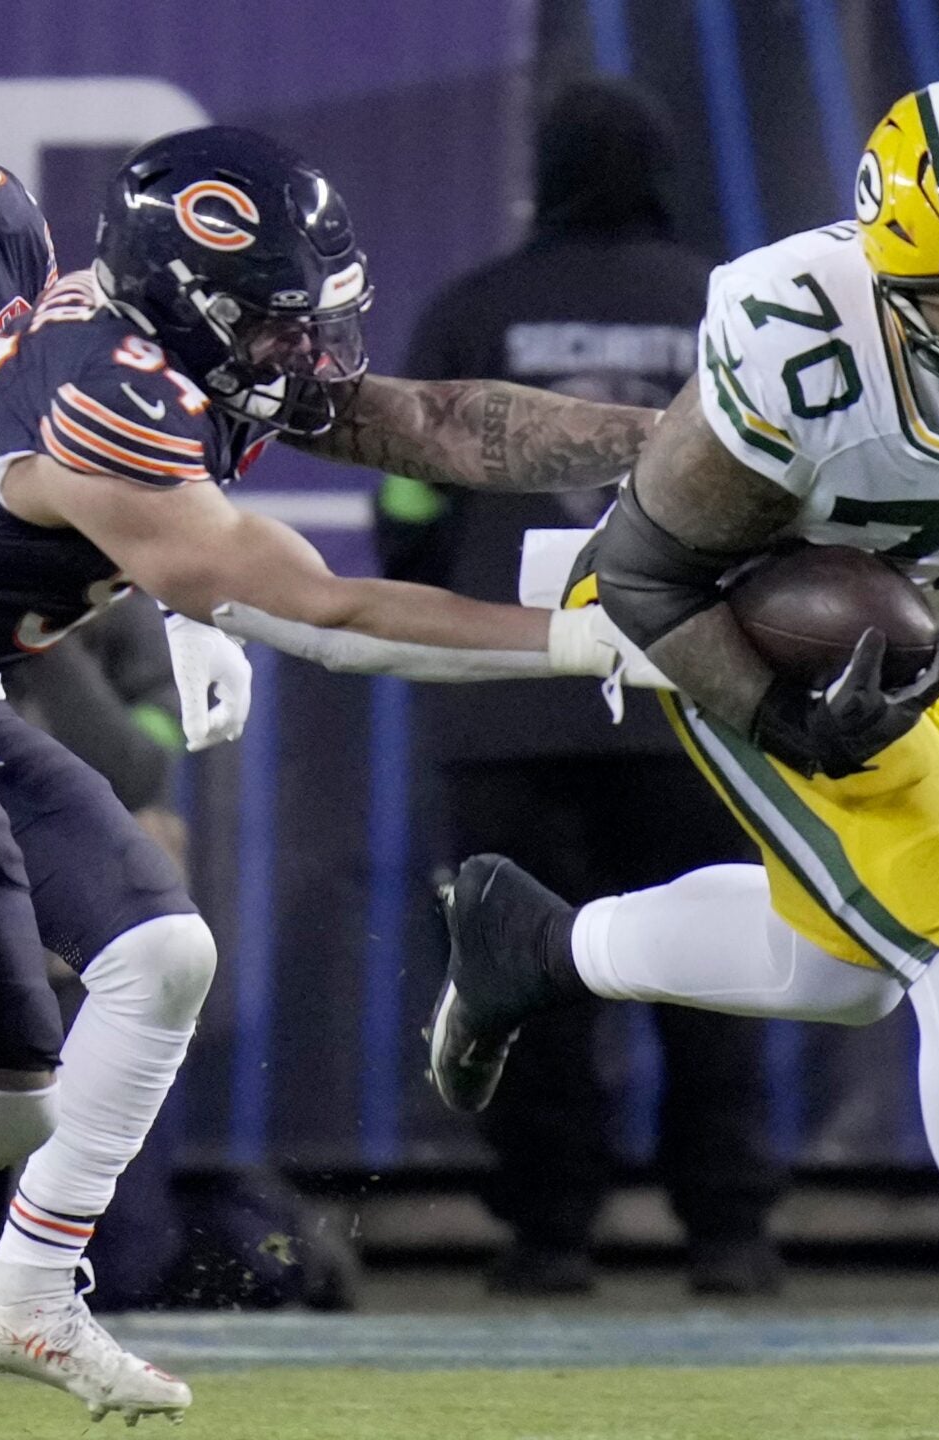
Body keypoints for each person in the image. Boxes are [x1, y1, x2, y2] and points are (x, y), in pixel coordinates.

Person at [0, 124, 657, 1440]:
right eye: (274, 328)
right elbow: (330, 610)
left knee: (139, 977)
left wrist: (674, 437)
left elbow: (424, 416)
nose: (304, 356)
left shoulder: (73, 282)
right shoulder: (98, 394)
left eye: (313, 320)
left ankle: (29, 1288)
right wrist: (580, 634)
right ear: (190, 308)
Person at [402, 78, 939, 1440]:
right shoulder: (796, 341)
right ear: (887, 281)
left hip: (938, 647)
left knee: (850, 973)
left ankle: (540, 945)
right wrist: (783, 719)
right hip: (747, 642)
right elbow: (647, 577)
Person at [377, 80, 781, 1297]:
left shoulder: (470, 311)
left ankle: (548, 1238)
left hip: (507, 700)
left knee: (526, 971)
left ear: (542, 176)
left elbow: (402, 516)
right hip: (695, 704)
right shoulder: (728, 310)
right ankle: (731, 1236)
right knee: (722, 970)